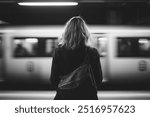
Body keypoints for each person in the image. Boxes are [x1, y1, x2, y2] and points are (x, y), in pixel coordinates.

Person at [50, 16, 103, 100]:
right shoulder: (92, 53)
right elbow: (98, 79)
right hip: (87, 97)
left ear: (67, 33)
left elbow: (53, 80)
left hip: (64, 97)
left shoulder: (58, 52)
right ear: (85, 33)